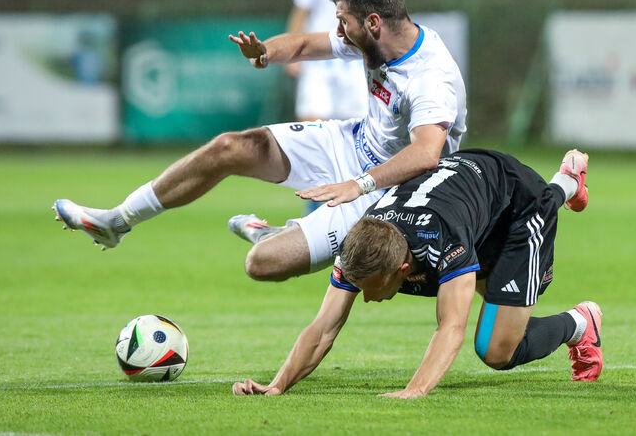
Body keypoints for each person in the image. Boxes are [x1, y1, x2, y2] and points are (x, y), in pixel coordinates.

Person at [53, 0, 467, 283]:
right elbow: (304, 43)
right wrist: (264, 52)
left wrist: (358, 184)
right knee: (229, 147)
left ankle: (280, 236)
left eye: (344, 21)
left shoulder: (431, 77)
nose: (340, 30)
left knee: (262, 264)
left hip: (387, 188)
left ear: (374, 22)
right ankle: (116, 222)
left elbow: (427, 154)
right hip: (350, 141)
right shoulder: (375, 34)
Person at [232, 148, 602, 398]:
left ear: (402, 268)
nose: (365, 298)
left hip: (517, 209)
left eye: (372, 289)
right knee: (493, 311)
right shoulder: (360, 244)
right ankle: (566, 185)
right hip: (470, 199)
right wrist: (277, 386)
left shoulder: (444, 240)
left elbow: (451, 326)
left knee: (497, 350)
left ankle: (565, 189)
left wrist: (416, 390)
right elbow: (324, 327)